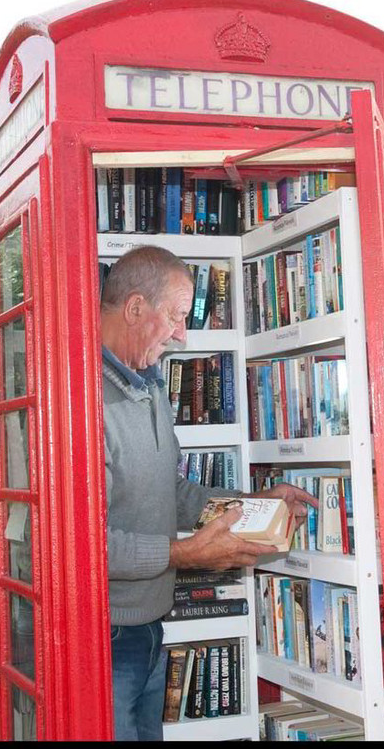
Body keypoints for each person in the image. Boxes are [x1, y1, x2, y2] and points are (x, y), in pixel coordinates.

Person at [100, 245, 315, 741]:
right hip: (103, 635)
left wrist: (259, 503)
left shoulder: (149, 385)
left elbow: (173, 492)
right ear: (135, 308)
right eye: (175, 316)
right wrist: (189, 554)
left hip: (151, 626)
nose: (182, 333)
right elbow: (89, 544)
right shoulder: (84, 397)